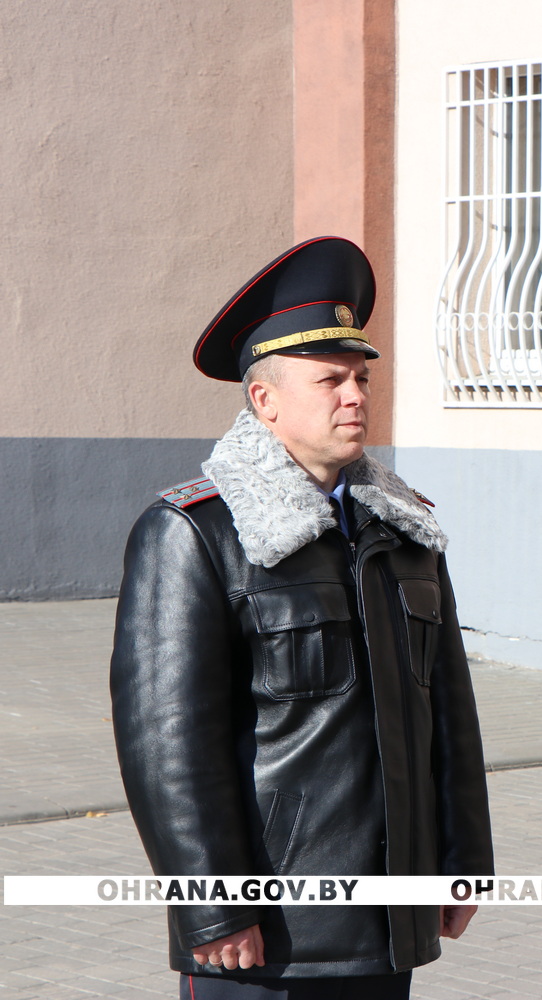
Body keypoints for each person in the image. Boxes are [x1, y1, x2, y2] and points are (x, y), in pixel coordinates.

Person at [110, 236, 494, 999]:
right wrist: (214, 908)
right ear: (266, 400)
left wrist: (460, 859)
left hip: (386, 921)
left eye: (360, 376)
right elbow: (169, 747)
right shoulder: (195, 532)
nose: (355, 394)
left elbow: (448, 711)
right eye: (330, 380)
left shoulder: (404, 528)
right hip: (266, 934)